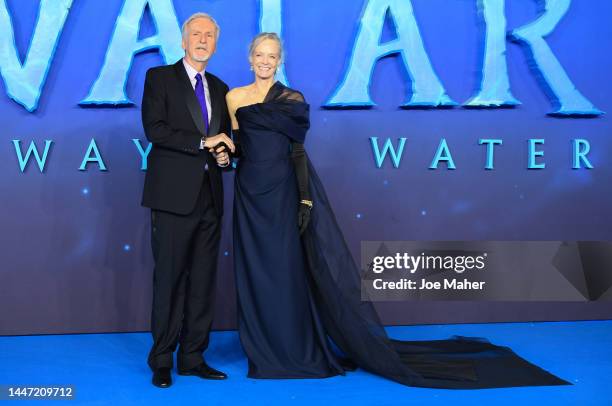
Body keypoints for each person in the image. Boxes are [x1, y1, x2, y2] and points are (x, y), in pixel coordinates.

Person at [222, 32, 570, 388]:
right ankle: (262, 349)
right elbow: (241, 148)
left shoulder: (291, 99)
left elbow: (296, 152)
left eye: (272, 56)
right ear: (250, 58)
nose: (266, 61)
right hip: (250, 194)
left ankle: (292, 349)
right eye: (260, 55)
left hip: (282, 193)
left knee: (286, 270)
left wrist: (306, 198)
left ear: (279, 60)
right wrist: (225, 151)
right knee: (255, 269)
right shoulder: (233, 98)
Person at [141, 12, 233, 388]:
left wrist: (226, 154)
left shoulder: (222, 86)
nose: (202, 40)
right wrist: (202, 143)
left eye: (209, 35)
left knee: (202, 282)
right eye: (196, 34)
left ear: (215, 43)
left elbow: (224, 138)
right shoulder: (159, 78)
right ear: (182, 40)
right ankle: (162, 359)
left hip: (210, 197)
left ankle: (193, 357)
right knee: (169, 280)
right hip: (173, 198)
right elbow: (155, 129)